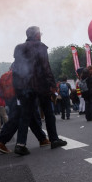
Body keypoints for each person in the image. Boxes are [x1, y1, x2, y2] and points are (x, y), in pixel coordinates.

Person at [11, 26, 67, 155]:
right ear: (36, 35)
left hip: (24, 86)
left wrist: (17, 88)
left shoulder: (19, 48)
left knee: (25, 116)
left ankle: (20, 144)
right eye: (39, 33)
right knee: (48, 112)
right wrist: (52, 84)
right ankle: (54, 139)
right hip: (40, 85)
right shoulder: (40, 46)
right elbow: (45, 67)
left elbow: (16, 69)